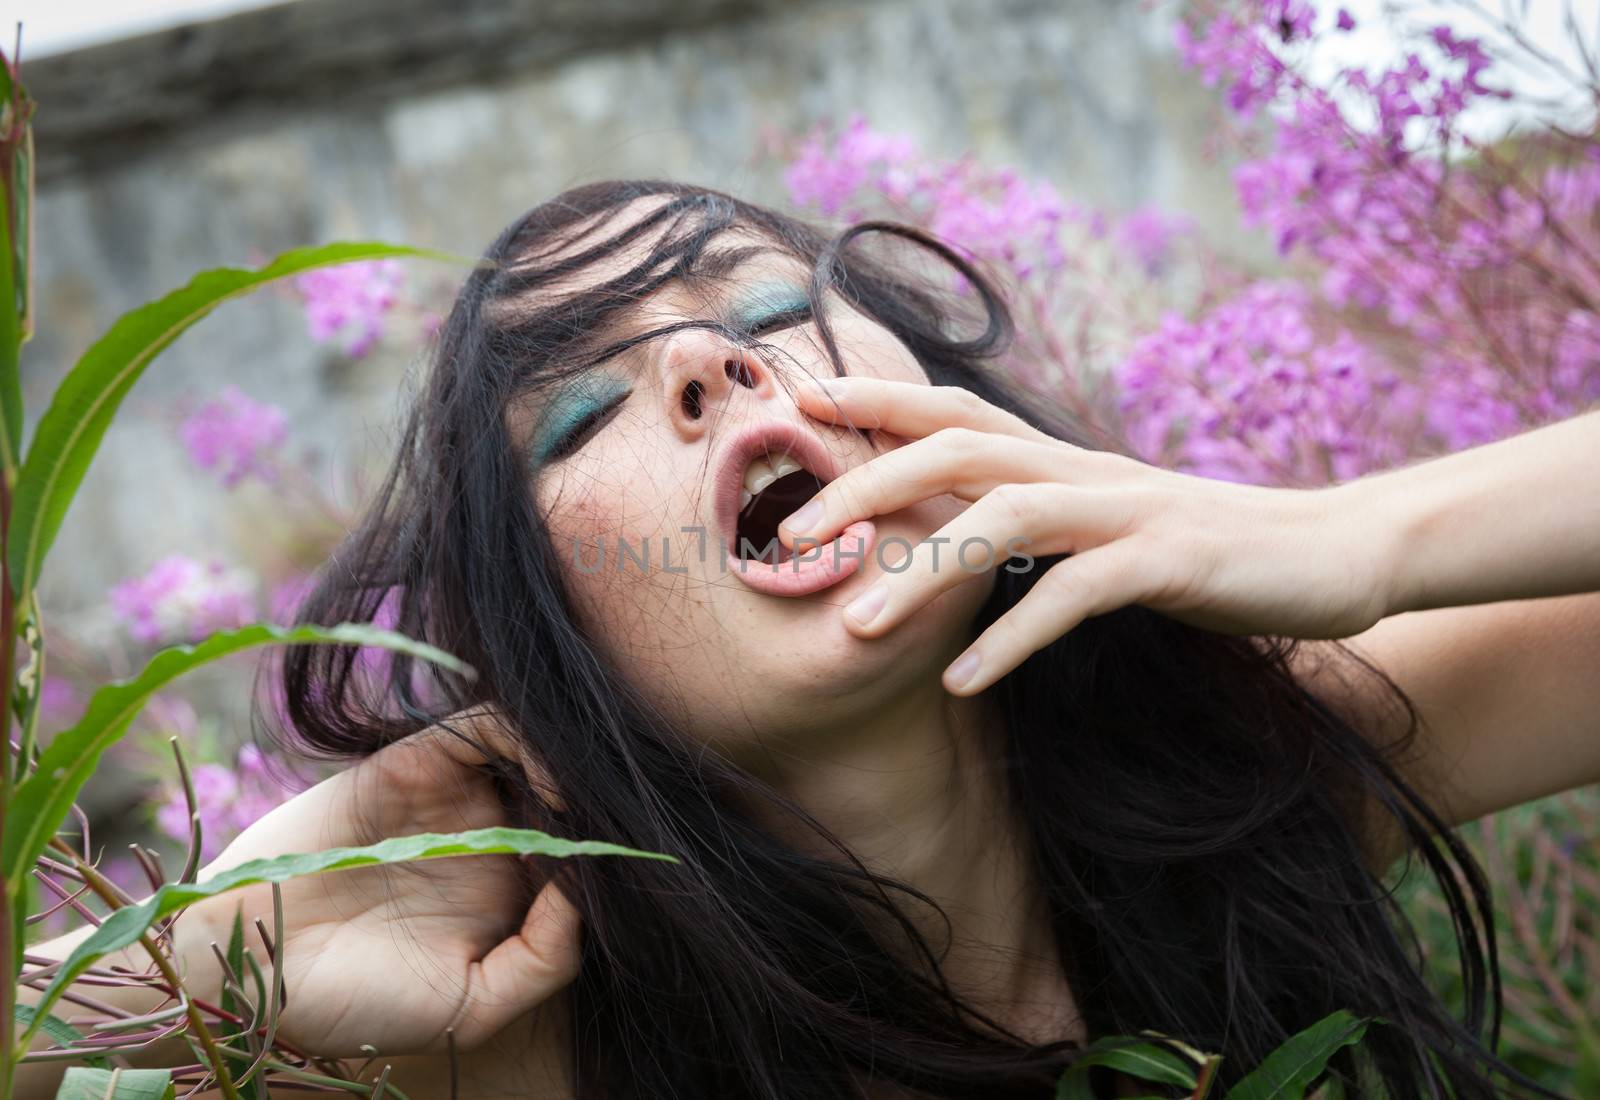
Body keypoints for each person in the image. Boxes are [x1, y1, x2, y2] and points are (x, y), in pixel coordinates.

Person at [22, 180, 1600, 1099]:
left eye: (773, 310)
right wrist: (198, 966)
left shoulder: (1245, 778)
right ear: (548, 658)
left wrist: (1352, 539)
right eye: (579, 412)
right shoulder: (522, 1034)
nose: (713, 358)